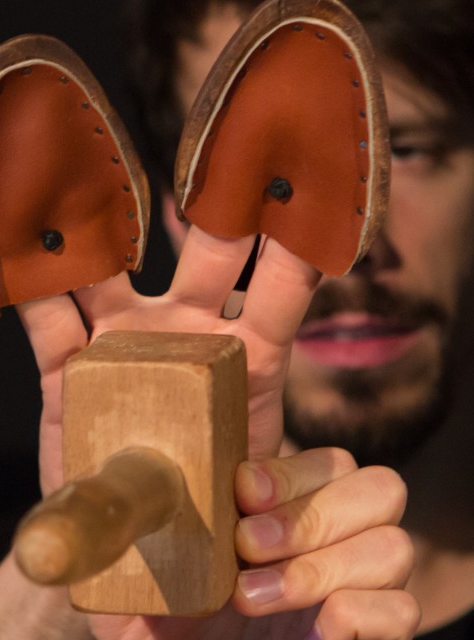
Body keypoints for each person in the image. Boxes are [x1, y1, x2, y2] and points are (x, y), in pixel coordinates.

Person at [0, 2, 427, 639]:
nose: (368, 255)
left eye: (410, 150)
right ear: (170, 203)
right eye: (249, 168)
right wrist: (90, 593)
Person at [123, 0, 474, 637]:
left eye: (408, 151)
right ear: (175, 214)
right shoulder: (11, 610)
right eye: (270, 170)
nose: (355, 252)